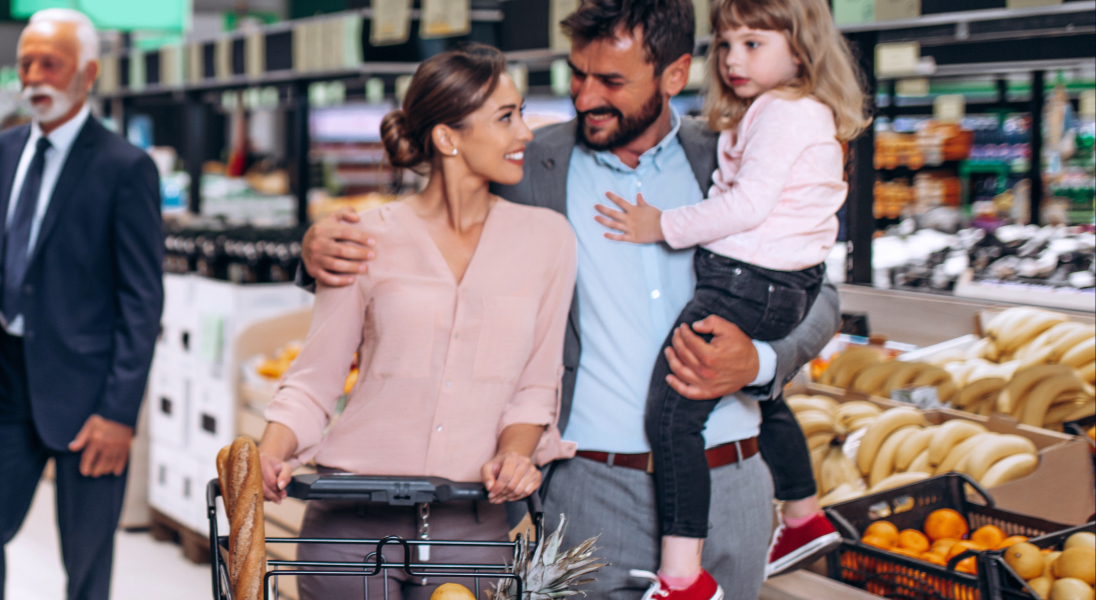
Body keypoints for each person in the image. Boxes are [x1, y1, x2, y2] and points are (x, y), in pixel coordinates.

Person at [297, 0, 842, 597]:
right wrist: (321, 250)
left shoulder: (730, 157)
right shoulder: (530, 164)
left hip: (733, 482)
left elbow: (819, 290)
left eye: (611, 81)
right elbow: (423, 227)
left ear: (675, 75)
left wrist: (760, 363)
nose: (584, 98)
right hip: (590, 491)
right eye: (577, 75)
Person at [256, 43, 573, 600]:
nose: (525, 132)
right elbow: (316, 379)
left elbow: (535, 387)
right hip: (349, 522)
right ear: (448, 137)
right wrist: (271, 451)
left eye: (522, 112)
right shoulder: (362, 236)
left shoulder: (548, 240)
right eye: (506, 117)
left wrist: (515, 454)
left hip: (470, 526)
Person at [592, 0, 869, 590]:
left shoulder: (779, 113)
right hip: (777, 281)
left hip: (745, 280)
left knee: (670, 418)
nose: (733, 59)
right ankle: (802, 514)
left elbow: (748, 207)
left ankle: (682, 578)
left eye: (752, 44)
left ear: (800, 47)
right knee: (766, 404)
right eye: (725, 45)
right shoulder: (790, 113)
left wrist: (659, 224)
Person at [0, 9, 164, 600]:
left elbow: (141, 302)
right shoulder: (6, 151)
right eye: (25, 63)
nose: (34, 76)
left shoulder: (125, 168)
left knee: (86, 561)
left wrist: (119, 413)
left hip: (89, 399)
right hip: (5, 381)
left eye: (49, 64)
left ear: (86, 75)